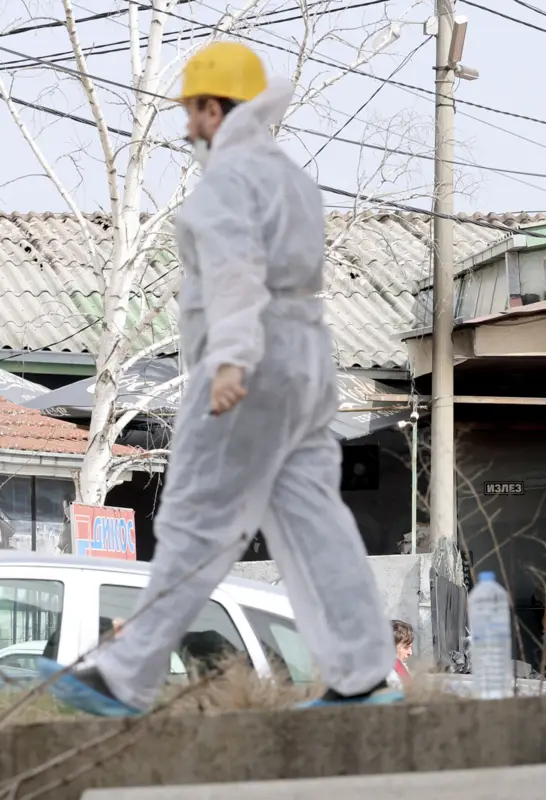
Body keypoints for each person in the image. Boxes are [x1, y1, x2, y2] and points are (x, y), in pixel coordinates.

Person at [38, 42, 397, 717]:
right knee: (315, 524)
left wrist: (231, 360)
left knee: (198, 518)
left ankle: (125, 678)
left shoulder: (230, 179)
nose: (188, 128)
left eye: (192, 113)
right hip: (307, 360)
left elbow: (236, 271)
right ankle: (362, 676)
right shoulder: (287, 175)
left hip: (250, 361)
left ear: (212, 107)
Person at [389, 620, 414, 687]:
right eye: (406, 647)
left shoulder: (399, 667)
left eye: (411, 647)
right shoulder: (390, 676)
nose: (410, 653)